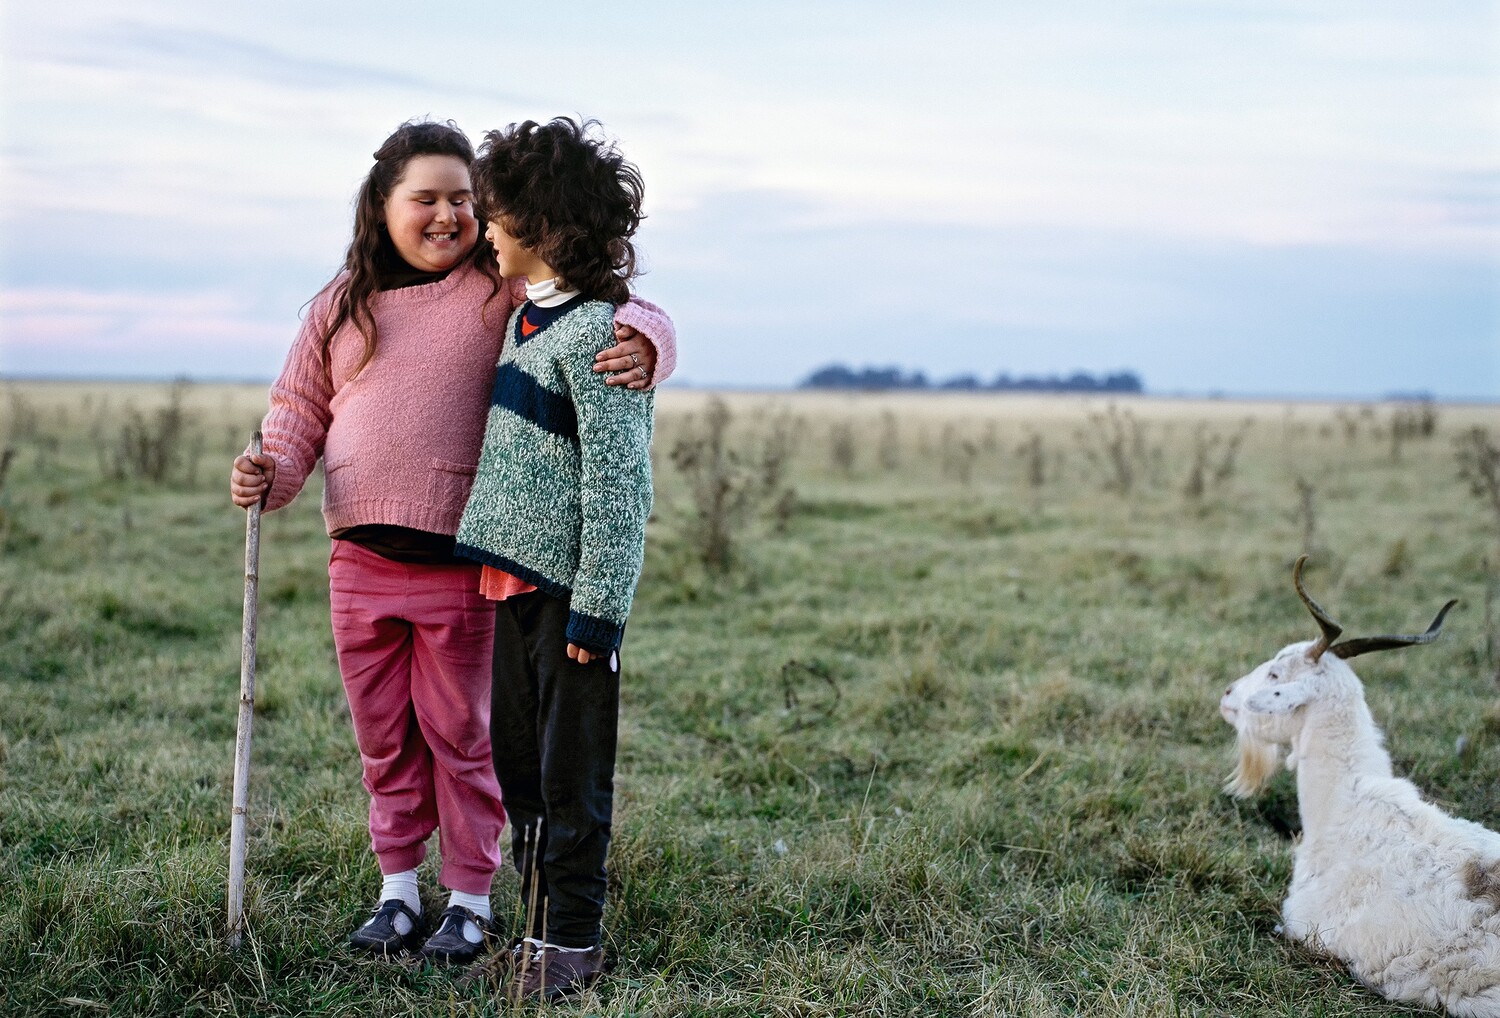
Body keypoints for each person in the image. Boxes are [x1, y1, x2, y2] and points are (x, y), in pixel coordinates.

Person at [227, 119, 675, 967]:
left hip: (463, 567)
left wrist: (653, 340)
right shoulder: (341, 302)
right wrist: (269, 471)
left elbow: (598, 300)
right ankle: (398, 890)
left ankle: (470, 899)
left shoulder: (494, 285)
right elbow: (296, 413)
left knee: (463, 738)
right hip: (357, 561)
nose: (449, 215)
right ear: (381, 205)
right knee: (384, 738)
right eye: (425, 198)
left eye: (465, 200)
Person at [452, 117, 654, 1001]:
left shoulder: (604, 338)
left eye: (496, 214)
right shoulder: (525, 315)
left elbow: (618, 486)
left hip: (571, 599)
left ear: (541, 221)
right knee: (518, 766)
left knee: (573, 776)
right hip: (510, 585)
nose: (483, 227)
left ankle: (572, 943)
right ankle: (533, 930)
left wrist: (600, 611)